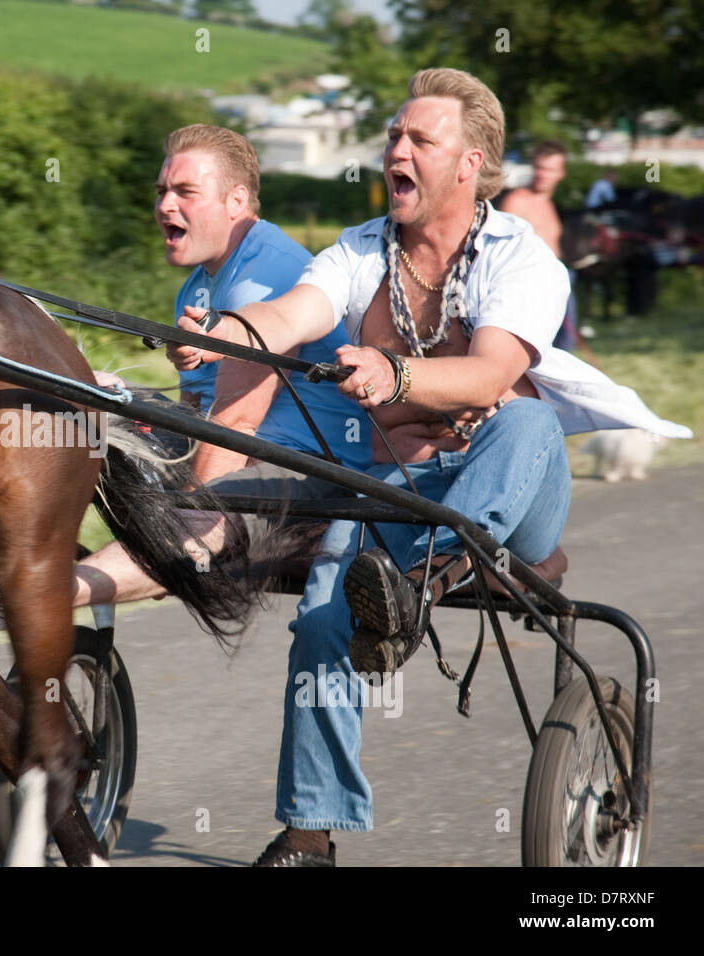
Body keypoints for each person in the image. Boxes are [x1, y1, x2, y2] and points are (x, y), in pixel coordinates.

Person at [171, 68, 689, 867]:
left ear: (470, 163)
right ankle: (310, 834)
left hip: (513, 498)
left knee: (521, 418)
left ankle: (421, 583)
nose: (395, 152)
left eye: (419, 139)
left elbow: (487, 376)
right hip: (396, 495)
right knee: (321, 616)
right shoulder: (357, 252)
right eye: (392, 137)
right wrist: (240, 331)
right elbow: (294, 312)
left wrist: (396, 374)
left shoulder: (522, 257)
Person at [73, 124, 370, 607]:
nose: (165, 205)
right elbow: (194, 411)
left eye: (185, 192)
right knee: (83, 395)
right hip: (242, 453)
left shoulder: (264, 275)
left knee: (181, 515)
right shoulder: (195, 288)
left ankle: (44, 590)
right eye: (162, 191)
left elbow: (236, 421)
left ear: (236, 201)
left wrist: (184, 525)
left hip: (311, 474)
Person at [499, 141, 580, 349]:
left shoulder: (549, 206)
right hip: (531, 283)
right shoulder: (517, 201)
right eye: (539, 168)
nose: (543, 174)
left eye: (550, 169)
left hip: (559, 278)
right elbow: (505, 250)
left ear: (561, 173)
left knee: (564, 343)